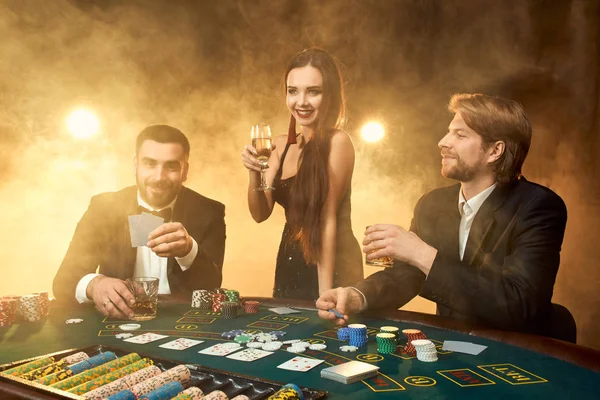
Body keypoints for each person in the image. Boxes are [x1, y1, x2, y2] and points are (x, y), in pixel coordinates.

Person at [316, 93, 568, 337]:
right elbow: (407, 276)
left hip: (520, 353)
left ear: (495, 151)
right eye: (449, 131)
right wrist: (357, 296)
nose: (443, 142)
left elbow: (518, 306)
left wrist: (420, 253)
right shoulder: (432, 203)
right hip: (454, 343)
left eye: (460, 134)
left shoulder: (539, 207)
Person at [53, 124, 226, 319]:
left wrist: (189, 250)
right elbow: (63, 282)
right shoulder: (102, 208)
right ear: (135, 165)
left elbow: (212, 287)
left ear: (185, 171)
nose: (159, 177)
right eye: (150, 164)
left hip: (182, 322)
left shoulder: (209, 211)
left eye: (171, 166)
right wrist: (95, 285)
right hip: (117, 321)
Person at [241, 48, 363, 300]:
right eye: (293, 91)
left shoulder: (338, 142)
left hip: (331, 260)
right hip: (291, 258)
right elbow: (259, 214)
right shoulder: (281, 145)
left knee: (330, 335)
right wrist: (254, 173)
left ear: (329, 95)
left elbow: (326, 220)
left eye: (313, 91)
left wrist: (326, 294)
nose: (301, 102)